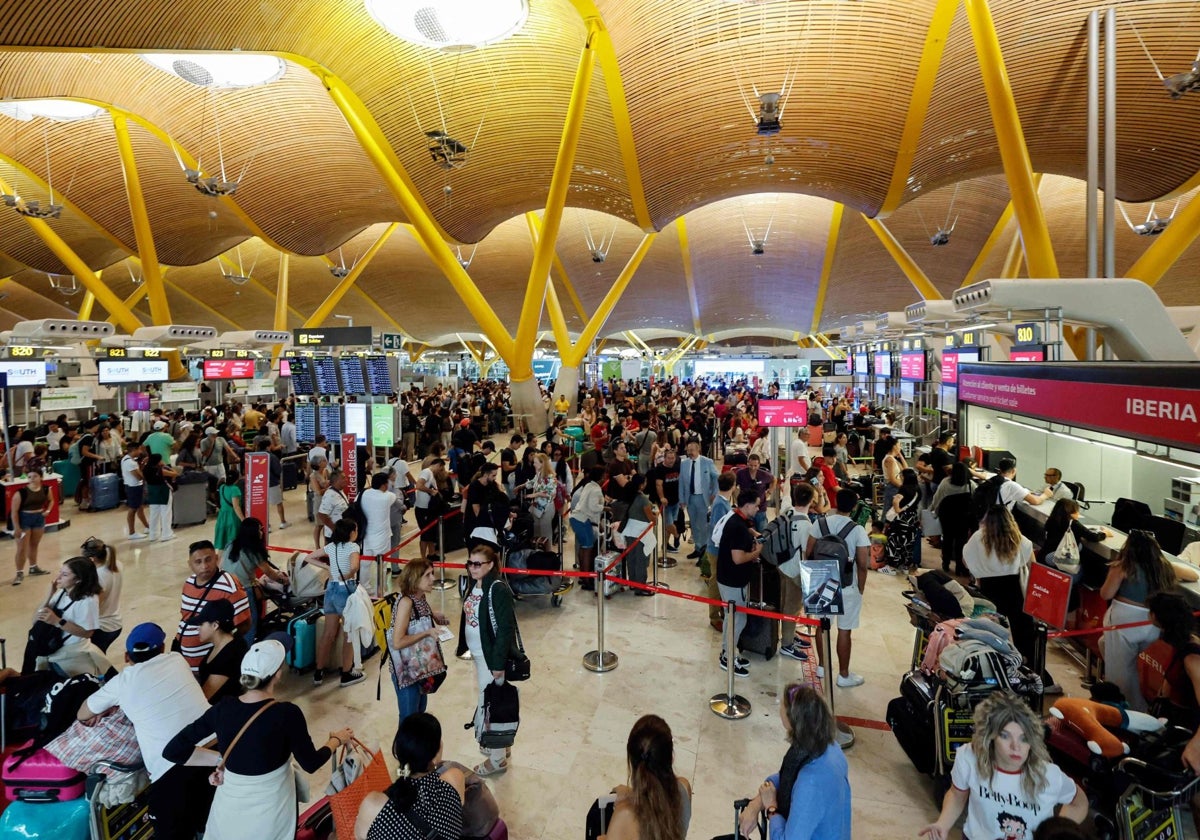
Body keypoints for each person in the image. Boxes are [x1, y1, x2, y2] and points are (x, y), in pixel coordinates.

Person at [163, 639, 354, 840]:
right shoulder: (286, 714)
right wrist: (336, 740)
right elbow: (311, 763)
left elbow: (173, 751)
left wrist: (223, 761)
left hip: (229, 813)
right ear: (278, 675)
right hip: (271, 812)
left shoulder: (222, 709)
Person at [78, 623, 215, 840]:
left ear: (125, 656)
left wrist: (109, 707)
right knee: (210, 821)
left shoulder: (122, 682)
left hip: (173, 767)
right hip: (216, 751)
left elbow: (83, 713)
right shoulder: (176, 660)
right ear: (161, 649)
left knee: (169, 829)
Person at [920, 692, 1087, 840]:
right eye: (1005, 736)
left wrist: (1055, 832)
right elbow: (957, 795)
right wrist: (943, 824)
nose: (1016, 746)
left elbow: (1079, 803)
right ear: (990, 736)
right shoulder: (969, 757)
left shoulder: (1049, 775)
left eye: (1023, 738)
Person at [963, 506, 1058, 694]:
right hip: (1014, 590)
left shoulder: (978, 537)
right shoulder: (1019, 540)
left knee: (990, 632)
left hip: (988, 589)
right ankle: (1039, 679)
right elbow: (1033, 566)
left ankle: (992, 673)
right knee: (1024, 636)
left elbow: (967, 560)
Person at [739, 684, 851, 840]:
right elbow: (785, 777)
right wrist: (757, 803)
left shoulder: (810, 783)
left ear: (792, 720)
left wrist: (772, 808)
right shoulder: (830, 747)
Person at [1099, 529, 1180, 711]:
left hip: (1124, 624)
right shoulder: (1163, 567)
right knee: (1104, 644)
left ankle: (1133, 712)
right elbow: (1193, 574)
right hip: (1152, 626)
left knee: (1122, 674)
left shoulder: (1123, 566)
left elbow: (1106, 594)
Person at [456, 544, 518, 777]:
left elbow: (505, 628)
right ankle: (502, 746)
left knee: (491, 705)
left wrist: (498, 664)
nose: (472, 568)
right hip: (479, 655)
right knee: (490, 700)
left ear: (491, 565)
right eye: (470, 563)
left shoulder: (497, 589)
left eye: (478, 564)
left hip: (491, 658)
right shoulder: (475, 583)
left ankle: (497, 758)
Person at [354, 713, 465, 840]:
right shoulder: (455, 780)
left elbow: (359, 836)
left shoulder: (373, 806)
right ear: (436, 754)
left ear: (397, 750)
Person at [806, 489, 872, 688]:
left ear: (835, 502)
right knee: (844, 630)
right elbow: (862, 563)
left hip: (821, 579)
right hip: (847, 584)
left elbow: (809, 552)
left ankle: (822, 667)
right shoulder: (858, 530)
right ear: (853, 508)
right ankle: (843, 675)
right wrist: (861, 587)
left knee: (822, 625)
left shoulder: (820, 523)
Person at [602, 714, 692, 840]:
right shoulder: (684, 789)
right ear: (671, 758)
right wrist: (631, 794)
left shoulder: (624, 816)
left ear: (631, 761)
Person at [387, 558, 450, 727]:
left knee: (419, 713)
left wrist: (433, 615)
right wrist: (427, 632)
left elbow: (417, 617)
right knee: (409, 719)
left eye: (432, 573)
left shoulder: (420, 598)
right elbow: (398, 642)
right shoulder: (406, 602)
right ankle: (404, 752)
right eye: (427, 575)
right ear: (415, 578)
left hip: (420, 668)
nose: (433, 578)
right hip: (407, 672)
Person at [28, 556, 111, 677]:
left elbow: (88, 633)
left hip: (72, 655)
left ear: (78, 579)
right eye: (60, 572)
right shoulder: (63, 591)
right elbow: (36, 620)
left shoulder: (88, 601)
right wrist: (48, 596)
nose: (58, 578)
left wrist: (57, 622)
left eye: (65, 575)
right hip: (52, 651)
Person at [307, 517, 366, 687]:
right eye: (355, 530)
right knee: (349, 633)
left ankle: (318, 673)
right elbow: (354, 566)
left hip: (330, 590)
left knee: (328, 634)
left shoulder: (331, 547)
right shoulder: (353, 546)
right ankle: (346, 674)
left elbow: (309, 557)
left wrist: (328, 569)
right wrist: (347, 576)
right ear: (350, 533)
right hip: (345, 591)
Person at [176, 540, 252, 671]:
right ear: (190, 565)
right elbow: (185, 617)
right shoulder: (188, 583)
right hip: (185, 662)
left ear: (216, 559)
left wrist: (220, 646)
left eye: (208, 560)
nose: (204, 566)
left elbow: (244, 624)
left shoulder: (230, 587)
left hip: (209, 667)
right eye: (198, 562)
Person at [716, 489, 763, 677]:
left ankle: (729, 652)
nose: (759, 508)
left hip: (729, 578)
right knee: (736, 619)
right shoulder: (737, 526)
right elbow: (737, 558)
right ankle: (727, 658)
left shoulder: (738, 520)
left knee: (732, 618)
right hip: (732, 581)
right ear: (748, 505)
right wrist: (756, 552)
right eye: (757, 505)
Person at [221, 517, 287, 644]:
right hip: (243, 590)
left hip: (226, 588)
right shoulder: (253, 550)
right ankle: (248, 651)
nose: (262, 532)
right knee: (250, 622)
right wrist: (284, 581)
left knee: (233, 621)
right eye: (260, 530)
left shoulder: (231, 544)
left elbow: (222, 565)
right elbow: (268, 572)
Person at [778, 483, 817, 662]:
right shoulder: (807, 525)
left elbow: (785, 496)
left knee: (784, 603)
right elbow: (806, 553)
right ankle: (786, 644)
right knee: (792, 608)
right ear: (811, 500)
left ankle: (790, 633)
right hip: (795, 571)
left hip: (781, 566)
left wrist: (787, 481)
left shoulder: (787, 511)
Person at [10, 468, 53, 584]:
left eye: (35, 476)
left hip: (39, 518)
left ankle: (33, 567)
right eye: (29, 477)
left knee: (34, 545)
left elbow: (51, 501)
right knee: (21, 548)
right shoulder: (21, 493)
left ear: (41, 478)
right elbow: (14, 512)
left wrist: (47, 511)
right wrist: (17, 527)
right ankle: (19, 573)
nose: (32, 479)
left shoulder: (46, 489)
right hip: (24, 520)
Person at [679, 439, 719, 561]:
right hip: (690, 498)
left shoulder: (707, 462)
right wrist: (682, 499)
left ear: (698, 450)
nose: (690, 452)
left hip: (703, 498)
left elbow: (716, 477)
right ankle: (698, 548)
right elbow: (681, 482)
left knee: (704, 525)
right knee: (694, 524)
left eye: (692, 450)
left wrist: (714, 493)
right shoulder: (684, 463)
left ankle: (705, 551)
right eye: (688, 450)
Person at [932, 461, 973, 575]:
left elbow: (937, 498)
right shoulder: (970, 484)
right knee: (961, 542)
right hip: (963, 518)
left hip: (947, 516)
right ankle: (960, 567)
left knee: (947, 539)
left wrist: (934, 511)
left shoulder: (945, 482)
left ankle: (945, 563)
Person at [360, 472, 398, 593]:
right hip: (382, 538)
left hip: (365, 535)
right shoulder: (388, 497)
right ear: (384, 485)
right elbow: (393, 493)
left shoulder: (363, 493)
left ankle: (364, 587)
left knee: (364, 563)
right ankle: (380, 590)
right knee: (381, 565)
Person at [84, 537, 123, 653]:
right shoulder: (116, 565)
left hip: (103, 626)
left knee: (96, 663)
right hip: (115, 621)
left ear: (92, 558)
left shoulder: (98, 576)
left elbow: (95, 605)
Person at [880, 468, 921, 575]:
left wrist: (898, 509)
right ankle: (905, 566)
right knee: (908, 542)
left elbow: (896, 500)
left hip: (902, 518)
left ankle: (892, 567)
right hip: (912, 518)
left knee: (894, 540)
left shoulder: (904, 488)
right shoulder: (918, 489)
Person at [622, 473, 657, 593]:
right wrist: (655, 517)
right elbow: (651, 518)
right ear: (641, 485)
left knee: (631, 557)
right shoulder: (643, 499)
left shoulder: (629, 494)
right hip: (641, 532)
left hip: (629, 529)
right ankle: (640, 586)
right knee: (641, 559)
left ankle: (632, 582)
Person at [569, 465, 606, 573]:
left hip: (576, 518)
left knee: (583, 547)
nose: (605, 478)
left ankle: (583, 574)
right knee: (588, 549)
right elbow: (593, 507)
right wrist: (605, 507)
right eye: (603, 476)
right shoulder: (596, 490)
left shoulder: (588, 485)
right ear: (600, 477)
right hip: (582, 520)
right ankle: (587, 577)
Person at [647, 447, 681, 552]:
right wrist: (661, 497)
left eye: (673, 458)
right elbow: (658, 485)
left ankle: (665, 544)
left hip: (676, 499)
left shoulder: (677, 466)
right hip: (665, 502)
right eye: (669, 458)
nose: (671, 460)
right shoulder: (660, 469)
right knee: (669, 523)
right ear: (664, 458)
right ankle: (676, 535)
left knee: (670, 524)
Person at [413, 459, 445, 560]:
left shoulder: (430, 474)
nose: (440, 471)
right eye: (441, 468)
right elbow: (419, 485)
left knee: (429, 533)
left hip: (428, 508)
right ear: (438, 465)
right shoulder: (426, 472)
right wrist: (431, 491)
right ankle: (422, 558)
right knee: (425, 534)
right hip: (423, 509)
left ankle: (431, 553)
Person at [143, 452, 178, 542]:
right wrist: (166, 465)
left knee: (154, 513)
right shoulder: (160, 470)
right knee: (166, 512)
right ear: (158, 461)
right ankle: (167, 534)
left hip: (152, 491)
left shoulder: (145, 469)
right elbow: (175, 473)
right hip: (163, 491)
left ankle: (153, 534)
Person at [525, 451, 559, 543]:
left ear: (542, 463)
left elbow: (550, 493)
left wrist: (536, 494)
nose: (534, 464)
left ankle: (547, 554)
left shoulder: (550, 478)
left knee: (545, 533)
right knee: (537, 532)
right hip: (537, 506)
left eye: (535, 463)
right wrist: (521, 486)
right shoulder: (538, 475)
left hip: (546, 508)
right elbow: (531, 483)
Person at [213, 467, 244, 552]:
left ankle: (220, 564)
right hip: (232, 518)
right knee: (233, 544)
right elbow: (236, 507)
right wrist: (243, 519)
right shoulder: (235, 489)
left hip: (222, 517)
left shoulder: (222, 487)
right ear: (237, 478)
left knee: (222, 547)